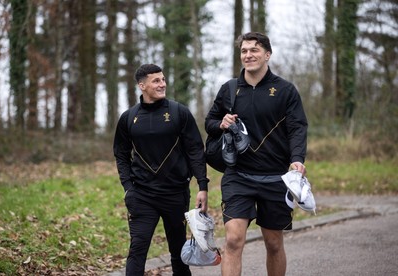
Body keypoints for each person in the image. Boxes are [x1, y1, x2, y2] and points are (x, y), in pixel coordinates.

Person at [205, 32, 308, 276]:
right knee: (233, 240)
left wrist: (297, 159)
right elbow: (209, 121)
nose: (248, 55)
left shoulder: (285, 90)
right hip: (238, 175)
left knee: (273, 243)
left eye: (254, 50)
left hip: (275, 177)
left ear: (267, 55)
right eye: (244, 51)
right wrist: (221, 123)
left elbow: (297, 128)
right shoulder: (230, 89)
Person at [113, 63, 209, 276]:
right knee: (137, 250)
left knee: (178, 251)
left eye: (163, 79)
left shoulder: (179, 112)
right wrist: (128, 187)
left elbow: (195, 150)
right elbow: (121, 154)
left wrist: (203, 185)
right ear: (142, 85)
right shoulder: (129, 117)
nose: (162, 84)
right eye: (156, 80)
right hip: (142, 195)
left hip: (175, 194)